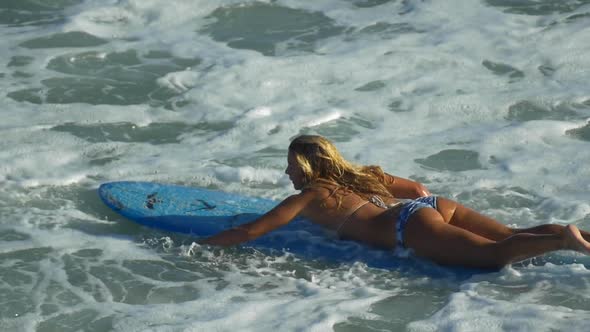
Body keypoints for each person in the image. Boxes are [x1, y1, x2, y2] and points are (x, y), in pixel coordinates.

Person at [202, 135, 590, 268]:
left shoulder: (310, 195)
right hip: (432, 208)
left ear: (306, 168)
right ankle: (581, 238)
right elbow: (418, 190)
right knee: (511, 233)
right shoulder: (358, 176)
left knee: (495, 255)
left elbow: (252, 229)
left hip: (409, 227)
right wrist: (426, 217)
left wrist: (199, 247)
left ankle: (564, 241)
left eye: (290, 166)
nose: (287, 173)